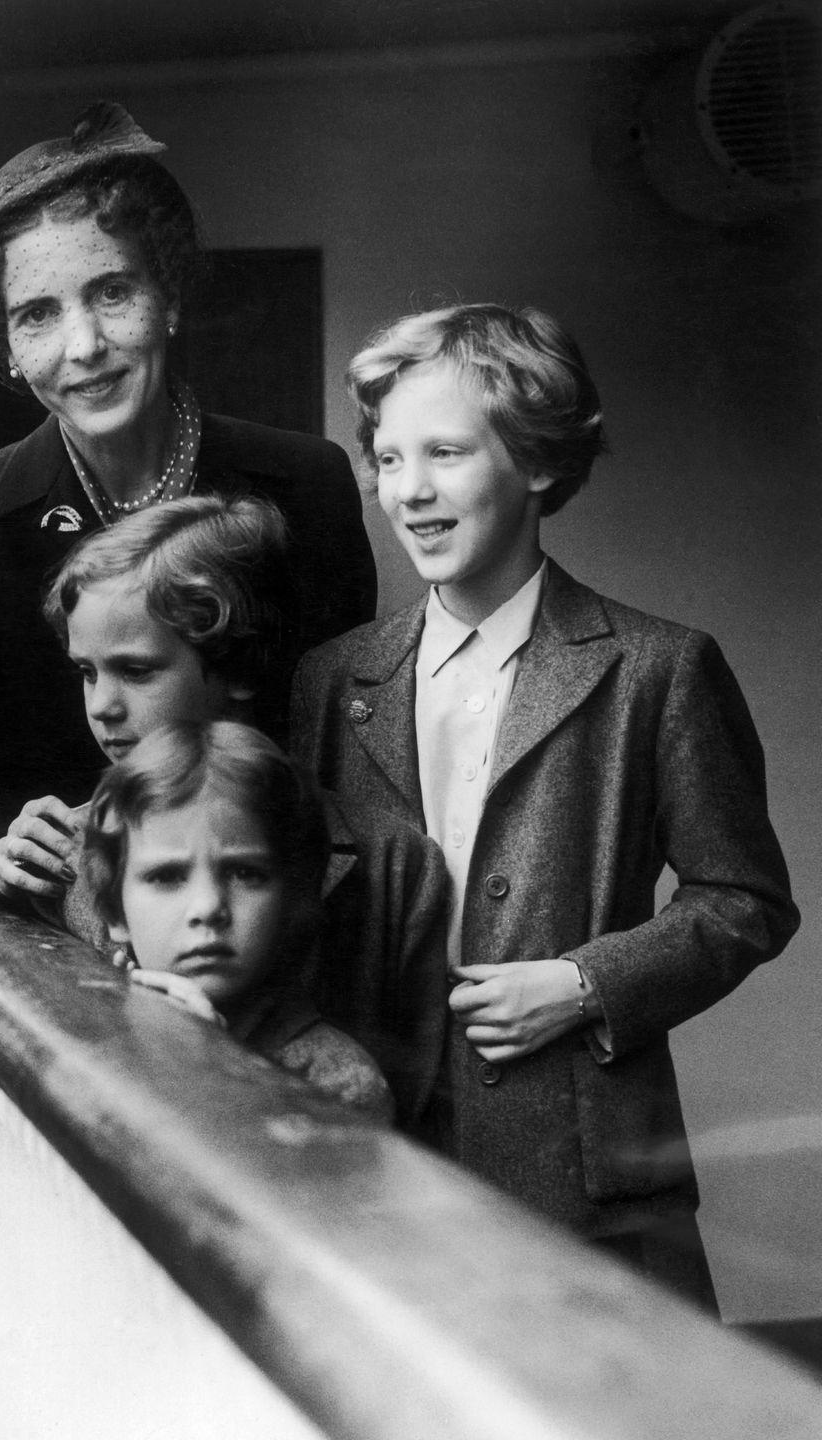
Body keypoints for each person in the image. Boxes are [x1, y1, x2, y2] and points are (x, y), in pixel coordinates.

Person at [289, 302, 799, 1307]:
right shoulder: (334, 678)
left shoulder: (659, 669)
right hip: (378, 1151)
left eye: (444, 452)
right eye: (388, 459)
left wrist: (582, 983)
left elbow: (744, 900)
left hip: (583, 1166)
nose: (411, 492)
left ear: (534, 464)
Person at [0, 101, 376, 891]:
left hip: (275, 911)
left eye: (112, 292)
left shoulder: (306, 486)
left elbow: (351, 744)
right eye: (38, 314)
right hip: (65, 934)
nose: (84, 346)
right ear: (6, 349)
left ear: (171, 296)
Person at [34, 493, 448, 1128]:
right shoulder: (77, 840)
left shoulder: (392, 862)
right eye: (88, 673)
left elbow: (412, 1095)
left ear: (238, 665)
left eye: (136, 671)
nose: (102, 706)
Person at [81, 719, 395, 1120]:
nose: (209, 906)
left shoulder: (339, 1083)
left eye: (245, 873)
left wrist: (214, 1066)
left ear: (293, 899)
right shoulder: (93, 1037)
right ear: (114, 911)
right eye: (166, 876)